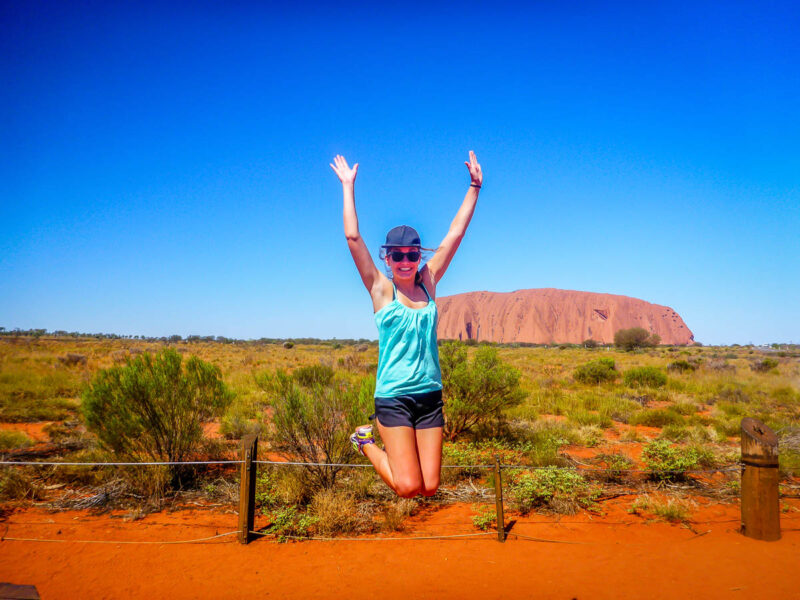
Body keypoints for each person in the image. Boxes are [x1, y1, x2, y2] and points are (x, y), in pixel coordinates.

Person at [330, 151, 482, 498]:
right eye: (396, 255)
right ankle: (364, 441)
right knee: (408, 486)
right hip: (394, 397)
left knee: (430, 486)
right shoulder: (381, 290)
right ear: (387, 258)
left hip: (429, 395)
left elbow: (454, 235)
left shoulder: (429, 281)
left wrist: (474, 187)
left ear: (419, 257)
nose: (404, 261)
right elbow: (353, 238)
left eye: (411, 255)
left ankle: (374, 444)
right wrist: (348, 186)